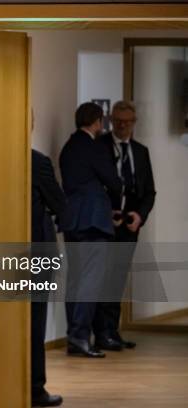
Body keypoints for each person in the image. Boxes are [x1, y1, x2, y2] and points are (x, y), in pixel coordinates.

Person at [59, 102, 123, 358]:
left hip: (73, 220)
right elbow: (114, 181)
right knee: (91, 280)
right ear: (97, 122)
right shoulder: (94, 148)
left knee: (75, 280)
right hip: (94, 220)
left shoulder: (68, 147)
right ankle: (80, 337)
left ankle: (75, 335)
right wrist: (115, 203)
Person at [95, 101, 156, 350]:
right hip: (105, 224)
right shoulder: (99, 147)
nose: (122, 126)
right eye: (118, 121)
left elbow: (149, 192)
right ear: (111, 120)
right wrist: (107, 212)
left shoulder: (140, 152)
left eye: (127, 122)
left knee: (117, 280)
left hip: (129, 227)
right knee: (102, 280)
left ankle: (112, 330)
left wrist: (139, 216)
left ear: (134, 123)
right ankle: (101, 333)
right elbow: (92, 186)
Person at [31, 149, 65, 407]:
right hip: (36, 255)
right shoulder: (37, 161)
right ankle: (34, 388)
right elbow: (60, 206)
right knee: (35, 320)